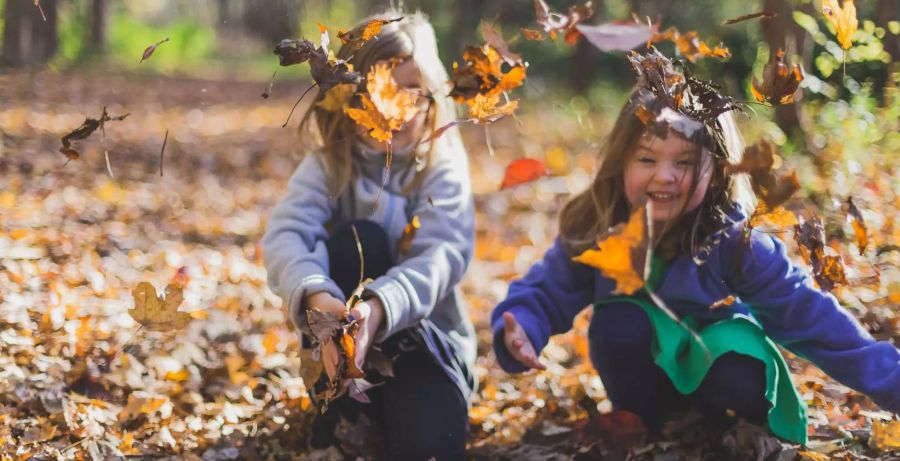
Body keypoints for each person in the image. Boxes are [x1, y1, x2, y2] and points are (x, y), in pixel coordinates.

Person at [491, 50, 900, 444]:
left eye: (684, 163)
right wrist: (525, 326)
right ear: (621, 163)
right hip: (642, 383)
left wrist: (892, 383)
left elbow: (812, 318)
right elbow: (547, 289)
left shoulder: (735, 241)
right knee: (620, 323)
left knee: (736, 357)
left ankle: (725, 432)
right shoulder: (599, 226)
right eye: (647, 160)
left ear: (718, 172)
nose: (664, 176)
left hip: (724, 380)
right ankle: (650, 423)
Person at [263, 11, 474, 460]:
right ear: (346, 96)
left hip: (426, 350)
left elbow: (442, 255)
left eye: (408, 88)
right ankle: (341, 410)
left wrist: (379, 308)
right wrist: (319, 300)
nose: (390, 105)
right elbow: (287, 235)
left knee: (431, 448)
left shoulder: (441, 168)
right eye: (375, 88)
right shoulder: (328, 166)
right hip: (339, 355)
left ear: (431, 92)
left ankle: (408, 415)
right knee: (359, 239)